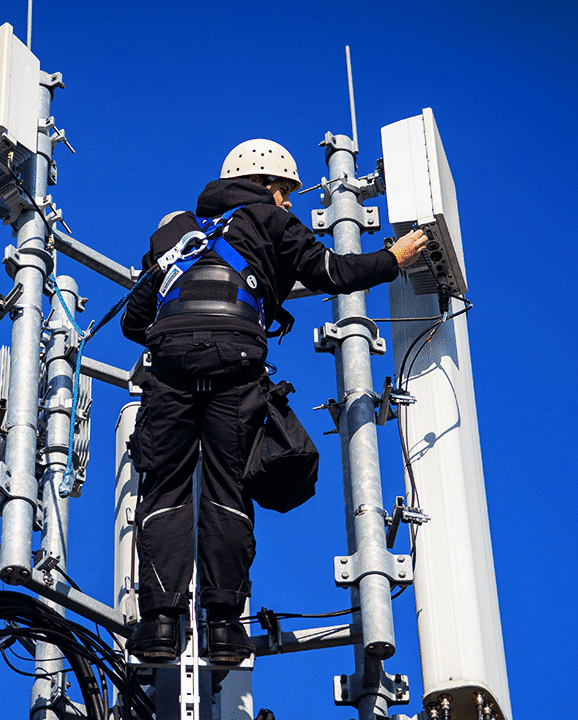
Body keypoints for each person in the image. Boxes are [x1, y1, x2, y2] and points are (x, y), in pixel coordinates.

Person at [121, 139, 428, 664]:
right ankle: (222, 629)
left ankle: (158, 628)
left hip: (168, 365)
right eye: (285, 191)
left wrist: (183, 331)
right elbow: (334, 273)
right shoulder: (270, 221)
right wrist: (393, 260)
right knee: (227, 491)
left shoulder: (174, 231)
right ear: (268, 184)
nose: (289, 203)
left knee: (164, 490)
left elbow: (134, 321)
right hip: (236, 361)